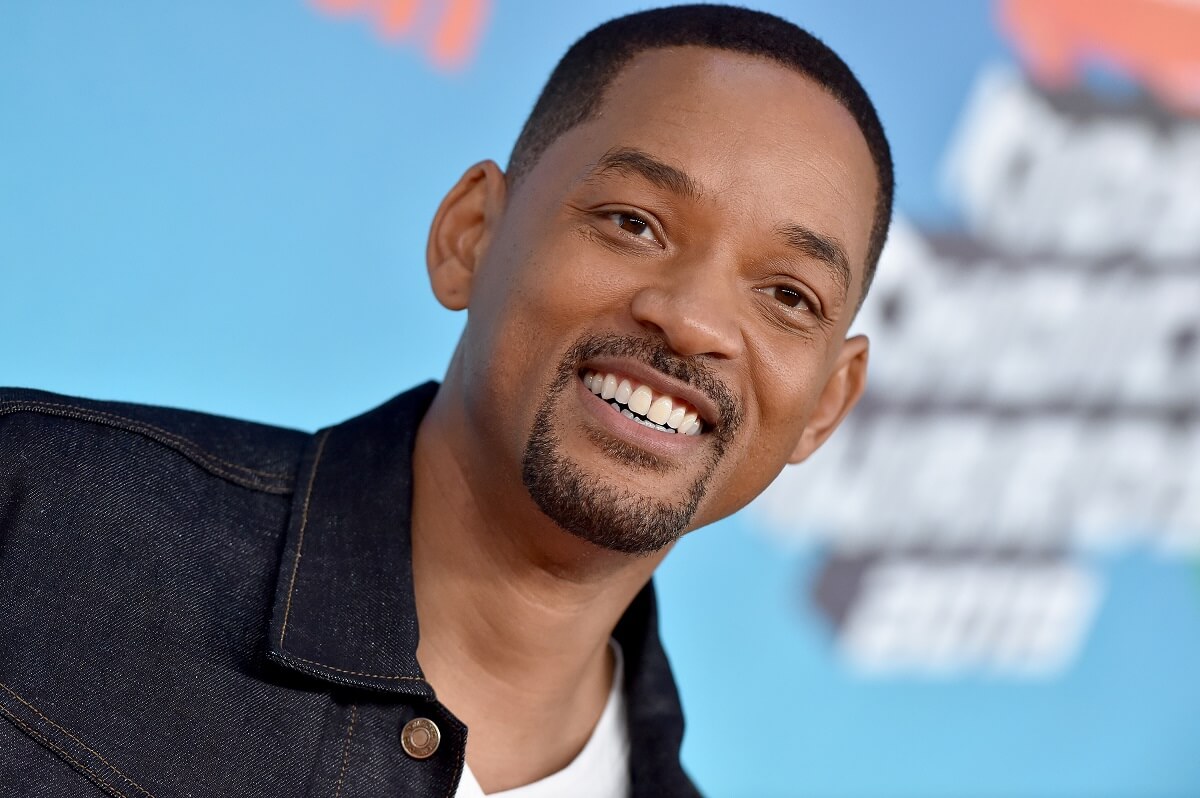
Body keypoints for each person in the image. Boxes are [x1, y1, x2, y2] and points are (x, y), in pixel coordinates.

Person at [0, 4, 892, 797]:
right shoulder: (37, 519)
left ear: (826, 405)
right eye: (634, 223)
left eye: (789, 296)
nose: (695, 320)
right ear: (471, 236)